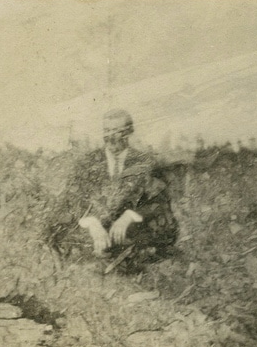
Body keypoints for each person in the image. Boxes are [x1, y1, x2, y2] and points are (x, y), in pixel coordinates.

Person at [47, 109, 178, 269]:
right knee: (60, 228)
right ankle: (107, 255)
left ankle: (115, 256)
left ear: (129, 131)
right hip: (94, 226)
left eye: (117, 131)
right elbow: (73, 198)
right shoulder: (87, 162)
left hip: (131, 228)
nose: (111, 136)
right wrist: (92, 223)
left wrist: (129, 216)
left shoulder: (145, 162)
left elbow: (160, 201)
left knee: (162, 229)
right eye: (107, 130)